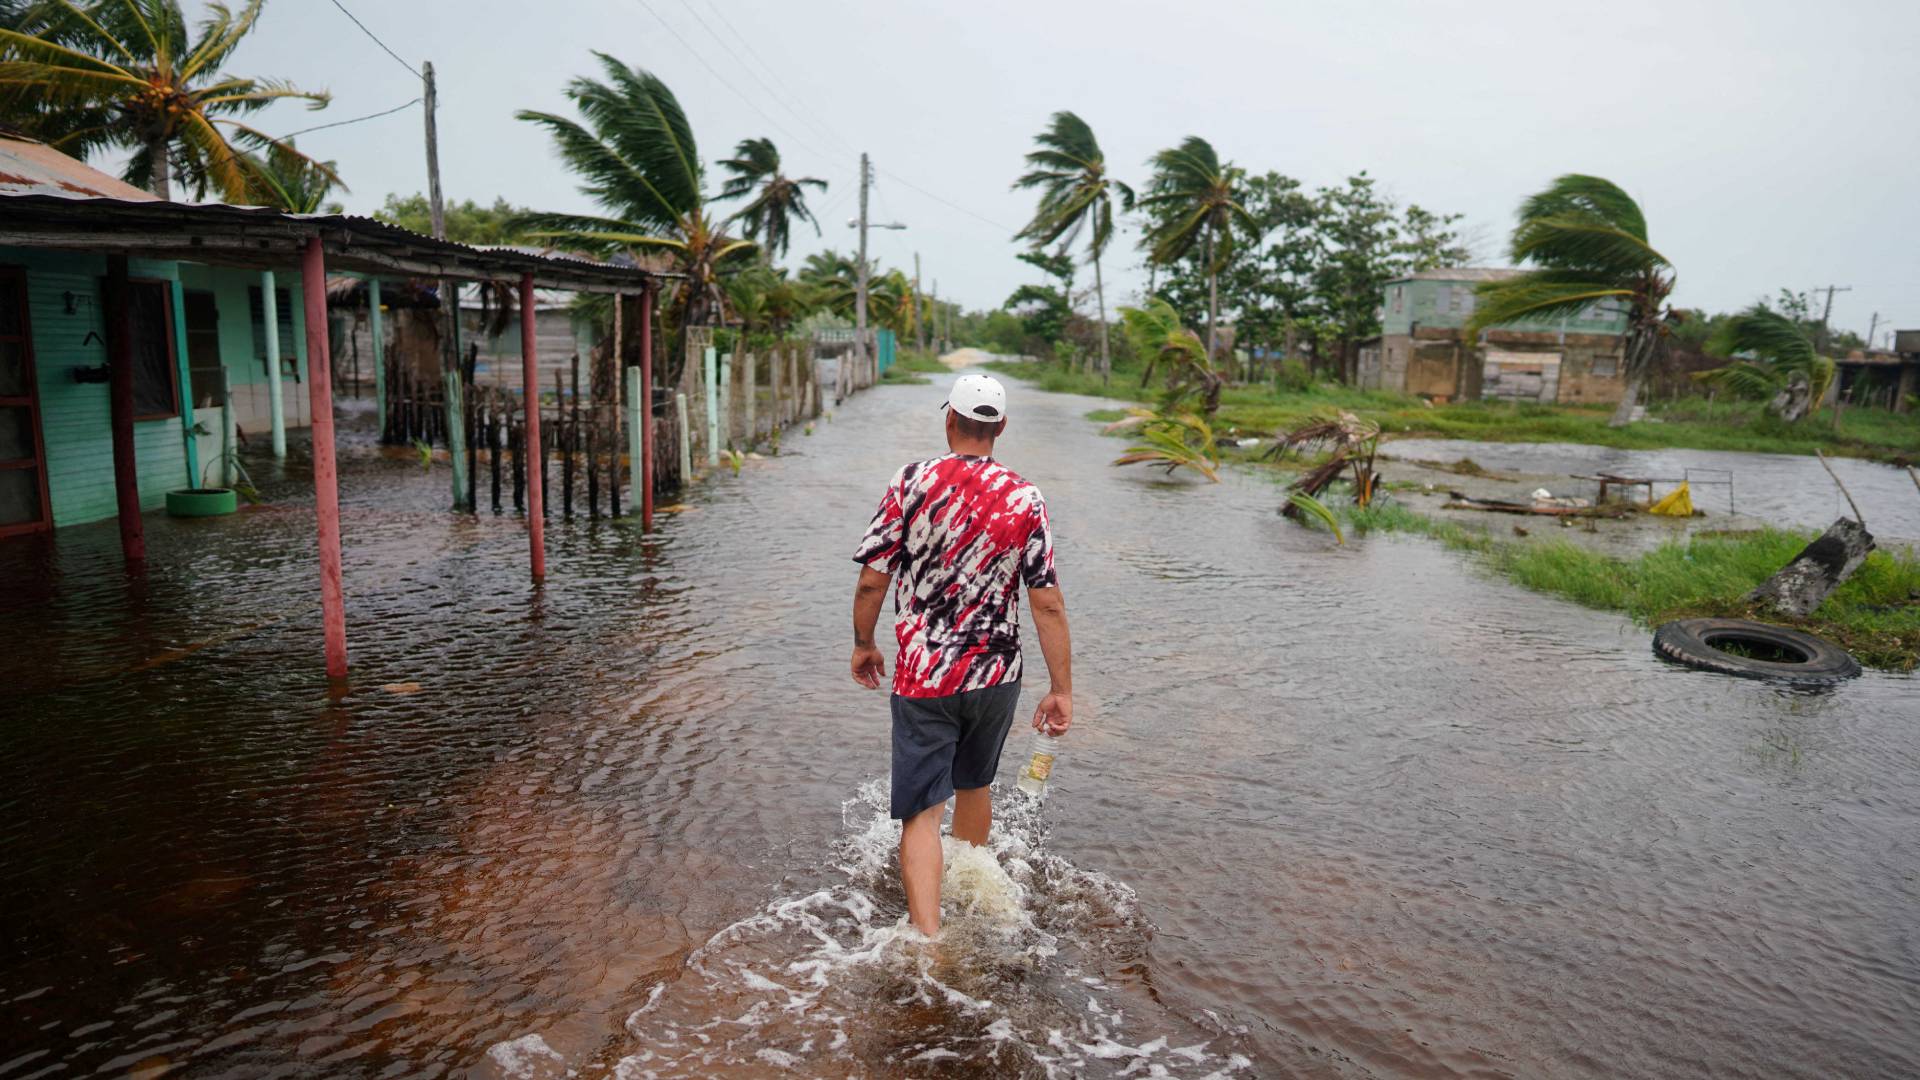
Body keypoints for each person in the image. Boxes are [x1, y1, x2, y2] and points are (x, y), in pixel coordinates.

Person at [849, 372, 1073, 937]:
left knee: (922, 811)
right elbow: (1045, 602)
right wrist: (1062, 687)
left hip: (926, 674)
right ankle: (969, 897)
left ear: (948, 417)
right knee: (975, 785)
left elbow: (873, 581)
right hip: (997, 674)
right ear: (1001, 427)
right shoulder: (1027, 497)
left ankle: (928, 941)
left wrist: (864, 643)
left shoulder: (910, 482)